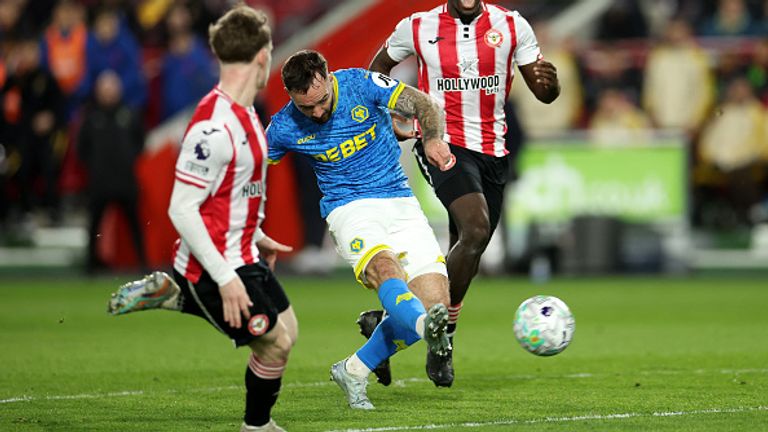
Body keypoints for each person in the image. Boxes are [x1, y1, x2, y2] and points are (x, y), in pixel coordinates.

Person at [107, 6, 295, 432]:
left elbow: (233, 191)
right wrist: (225, 278)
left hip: (243, 249)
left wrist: (256, 233)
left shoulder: (247, 112)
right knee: (276, 343)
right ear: (263, 55)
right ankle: (256, 427)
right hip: (213, 263)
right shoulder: (213, 129)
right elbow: (181, 208)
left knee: (288, 329)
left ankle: (174, 296)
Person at [366, 0, 560, 387]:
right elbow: (376, 72)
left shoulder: (511, 25)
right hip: (442, 143)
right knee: (475, 230)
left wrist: (551, 84)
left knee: (468, 249)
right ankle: (443, 340)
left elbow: (544, 93)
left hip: (494, 152)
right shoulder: (418, 26)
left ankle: (387, 327)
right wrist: (390, 115)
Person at [266, 49, 454, 408]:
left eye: (321, 101)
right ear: (290, 96)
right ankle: (424, 330)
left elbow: (423, 104)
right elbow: (249, 166)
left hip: (400, 201)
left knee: (435, 301)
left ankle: (353, 369)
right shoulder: (284, 126)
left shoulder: (361, 84)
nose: (316, 113)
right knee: (386, 269)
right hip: (349, 209)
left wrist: (432, 138)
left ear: (329, 78)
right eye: (306, 107)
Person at [77, 70, 147, 273]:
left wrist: (127, 159)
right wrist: (95, 165)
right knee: (94, 224)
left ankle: (143, 262)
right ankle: (90, 265)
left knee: (135, 224)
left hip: (126, 180)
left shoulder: (129, 114)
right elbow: (82, 148)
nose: (108, 93)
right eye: (104, 89)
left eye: (111, 89)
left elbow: (140, 142)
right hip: (100, 181)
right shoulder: (91, 116)